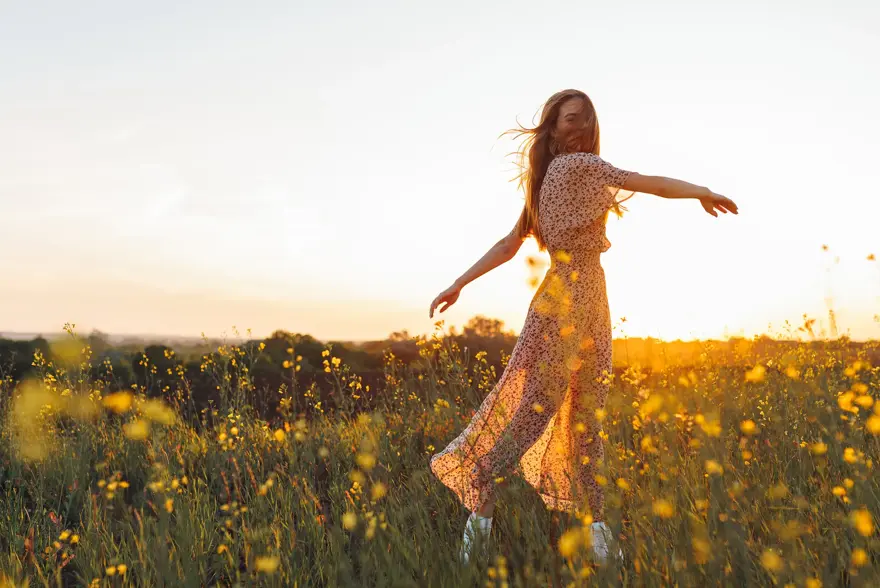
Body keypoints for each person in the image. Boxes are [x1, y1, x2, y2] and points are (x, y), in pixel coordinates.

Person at [427, 89, 738, 566]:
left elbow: (512, 243)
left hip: (580, 297)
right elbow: (648, 182)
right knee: (547, 409)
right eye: (572, 119)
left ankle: (595, 535)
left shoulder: (559, 173)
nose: (582, 128)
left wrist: (459, 283)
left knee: (582, 417)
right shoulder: (578, 168)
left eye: (588, 120)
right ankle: (482, 494)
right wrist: (701, 190)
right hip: (570, 298)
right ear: (552, 128)